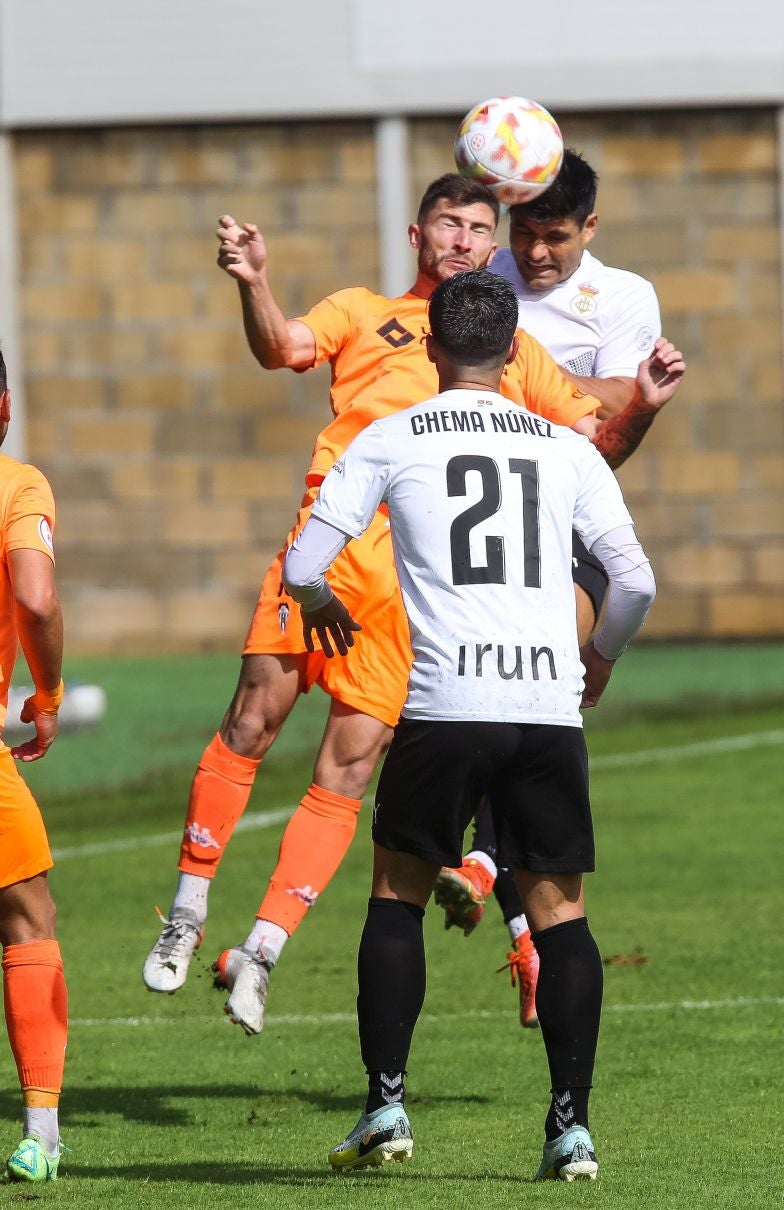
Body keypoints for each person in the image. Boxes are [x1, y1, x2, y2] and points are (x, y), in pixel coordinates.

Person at [142, 174, 674, 1036]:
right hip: (325, 545)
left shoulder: (507, 348)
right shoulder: (362, 310)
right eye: (449, 224)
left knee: (348, 770)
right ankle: (188, 907)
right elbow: (282, 347)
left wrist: (641, 406)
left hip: (413, 587)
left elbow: (593, 446)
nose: (464, 239)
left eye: (477, 227)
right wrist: (254, 284)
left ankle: (266, 954)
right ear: (418, 232)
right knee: (251, 717)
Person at [280, 271, 670, 1179]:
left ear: (427, 346)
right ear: (515, 355)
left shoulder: (388, 436)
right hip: (544, 707)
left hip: (444, 705)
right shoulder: (565, 449)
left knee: (397, 897)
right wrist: (598, 659)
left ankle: (385, 1107)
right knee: (560, 914)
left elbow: (305, 560)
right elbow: (637, 580)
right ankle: (570, 1129)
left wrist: (320, 599)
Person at [434, 149, 663, 1026]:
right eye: (524, 235)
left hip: (570, 534)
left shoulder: (624, 297)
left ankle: (489, 870)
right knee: (480, 717)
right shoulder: (483, 265)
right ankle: (524, 930)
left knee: (532, 702)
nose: (533, 256)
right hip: (477, 539)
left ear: (589, 230)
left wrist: (502, 385)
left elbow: (610, 418)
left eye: (554, 239)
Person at [0, 350, 68, 1183]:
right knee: (25, 916)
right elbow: (37, 597)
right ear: (5, 407)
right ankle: (40, 1134)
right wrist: (46, 690)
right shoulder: (17, 485)